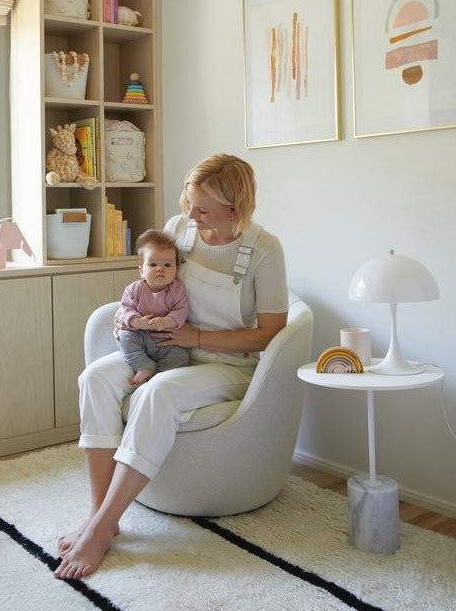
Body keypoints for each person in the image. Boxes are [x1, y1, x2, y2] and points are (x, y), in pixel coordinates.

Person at [55, 154, 288, 580]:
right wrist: (130, 314)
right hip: (165, 349)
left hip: (226, 363)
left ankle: (103, 528)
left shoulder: (263, 249)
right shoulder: (180, 230)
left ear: (235, 209)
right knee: (94, 379)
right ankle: (98, 512)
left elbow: (271, 332)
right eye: (188, 202)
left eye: (202, 209)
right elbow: (151, 281)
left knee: (157, 392)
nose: (189, 214)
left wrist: (197, 339)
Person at [117, 229, 190, 387]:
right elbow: (125, 310)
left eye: (167, 264)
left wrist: (167, 321)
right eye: (153, 264)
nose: (160, 269)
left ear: (176, 269)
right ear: (141, 269)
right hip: (140, 336)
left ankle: (158, 376)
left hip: (166, 340)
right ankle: (144, 365)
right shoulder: (134, 289)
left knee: (181, 356)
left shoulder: (177, 289)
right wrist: (137, 322)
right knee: (124, 337)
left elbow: (182, 310)